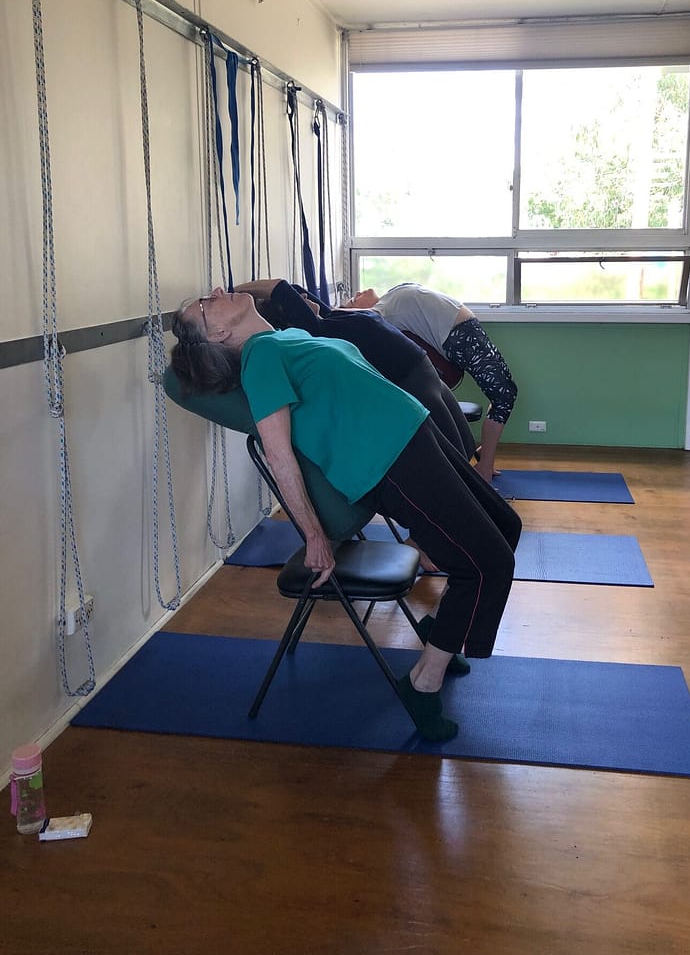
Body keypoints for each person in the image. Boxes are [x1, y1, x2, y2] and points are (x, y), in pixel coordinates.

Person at [170, 288, 521, 743]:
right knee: (488, 566)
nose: (215, 292)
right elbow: (279, 457)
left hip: (416, 434)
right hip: (389, 463)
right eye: (204, 303)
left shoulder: (286, 337)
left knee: (507, 526)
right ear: (218, 332)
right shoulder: (259, 360)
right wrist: (315, 537)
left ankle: (442, 630)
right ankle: (422, 683)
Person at [232, 278, 476, 462]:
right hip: (412, 382)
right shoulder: (320, 331)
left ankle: (477, 509)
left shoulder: (331, 318)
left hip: (427, 373)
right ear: (292, 317)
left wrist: (279, 294)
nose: (308, 299)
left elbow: (293, 289)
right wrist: (237, 291)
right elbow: (280, 288)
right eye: (301, 303)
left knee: (466, 447)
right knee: (454, 456)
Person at [343, 283, 518, 483]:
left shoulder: (390, 295)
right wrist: (330, 311)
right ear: (357, 310)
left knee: (505, 394)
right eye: (352, 300)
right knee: (504, 395)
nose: (357, 293)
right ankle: (484, 467)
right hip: (460, 336)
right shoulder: (378, 313)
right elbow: (346, 318)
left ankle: (485, 455)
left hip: (467, 328)